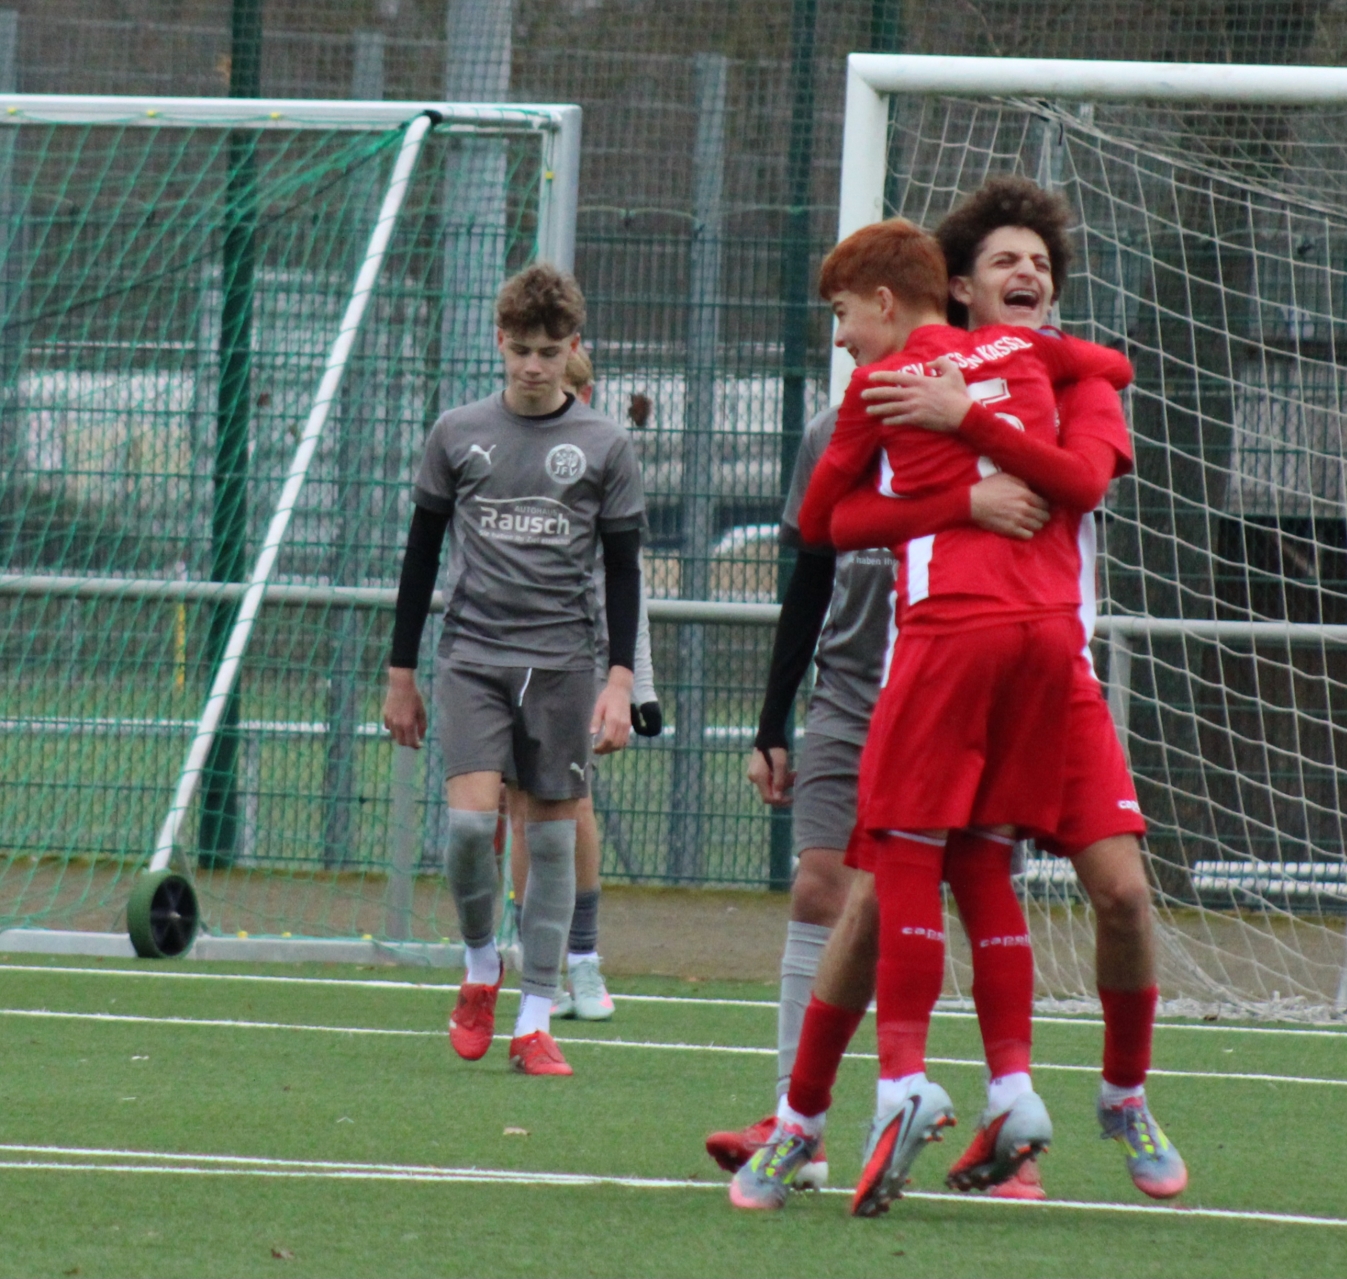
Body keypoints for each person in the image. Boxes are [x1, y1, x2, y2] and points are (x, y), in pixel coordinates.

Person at [702, 405, 1048, 1192]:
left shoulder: (990, 415)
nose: (841, 343)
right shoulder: (831, 432)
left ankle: (1010, 1130)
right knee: (819, 886)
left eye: (851, 330)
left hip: (959, 693)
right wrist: (771, 721)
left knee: (975, 894)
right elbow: (810, 575)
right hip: (851, 696)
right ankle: (796, 1122)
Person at [383, 263, 645, 1077]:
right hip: (472, 655)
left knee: (554, 840)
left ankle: (535, 1019)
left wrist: (620, 680)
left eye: (549, 352)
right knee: (470, 830)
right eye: (521, 349)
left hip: (564, 663)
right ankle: (479, 966)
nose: (534, 366)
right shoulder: (457, 432)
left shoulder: (605, 444)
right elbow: (420, 556)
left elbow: (625, 571)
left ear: (574, 349)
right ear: (499, 341)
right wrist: (400, 672)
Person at [499, 347, 664, 1021]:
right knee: (519, 809)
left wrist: (638, 684)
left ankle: (584, 958)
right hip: (515, 651)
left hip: (582, 658)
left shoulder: (604, 462)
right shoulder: (507, 457)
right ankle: (537, 960)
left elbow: (626, 583)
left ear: (583, 393)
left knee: (572, 805)